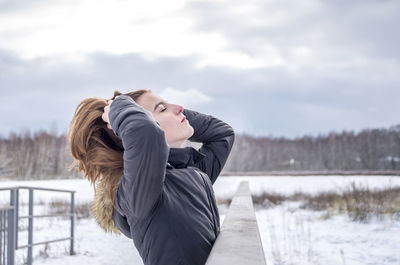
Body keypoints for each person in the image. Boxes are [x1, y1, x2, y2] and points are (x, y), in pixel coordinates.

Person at [68, 89, 235, 265]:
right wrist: (118, 105)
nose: (180, 108)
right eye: (162, 109)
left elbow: (222, 134)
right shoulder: (137, 190)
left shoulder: (191, 172)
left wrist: (176, 115)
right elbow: (146, 133)